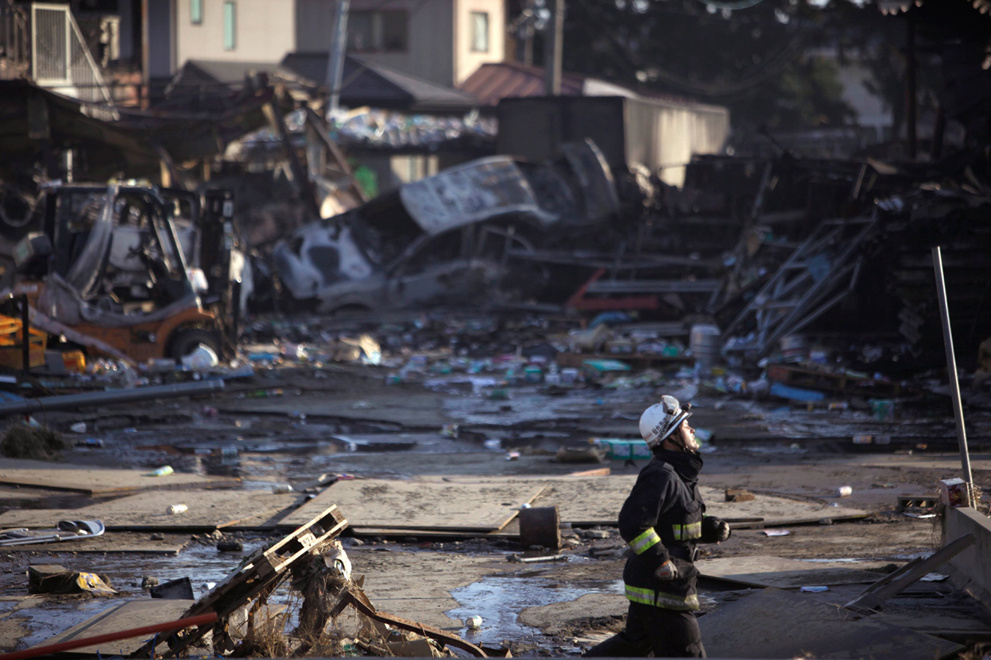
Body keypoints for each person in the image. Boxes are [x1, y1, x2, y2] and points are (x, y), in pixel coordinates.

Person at [585, 395, 730, 658]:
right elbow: (633, 524)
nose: (693, 430)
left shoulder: (680, 476)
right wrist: (661, 562)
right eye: (686, 427)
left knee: (634, 645)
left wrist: (710, 528)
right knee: (688, 653)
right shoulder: (661, 475)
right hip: (662, 587)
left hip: (661, 584)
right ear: (670, 437)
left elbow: (673, 523)